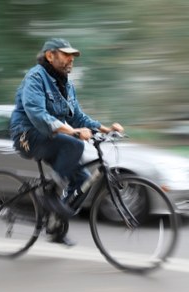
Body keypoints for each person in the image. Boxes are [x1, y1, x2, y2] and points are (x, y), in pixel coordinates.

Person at [9, 38, 124, 245]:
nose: (71, 59)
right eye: (66, 54)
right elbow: (37, 114)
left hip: (49, 138)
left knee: (82, 179)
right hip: (27, 135)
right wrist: (73, 132)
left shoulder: (67, 86)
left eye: (73, 56)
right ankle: (50, 196)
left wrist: (104, 128)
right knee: (74, 144)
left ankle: (54, 225)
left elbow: (77, 117)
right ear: (50, 56)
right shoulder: (35, 77)